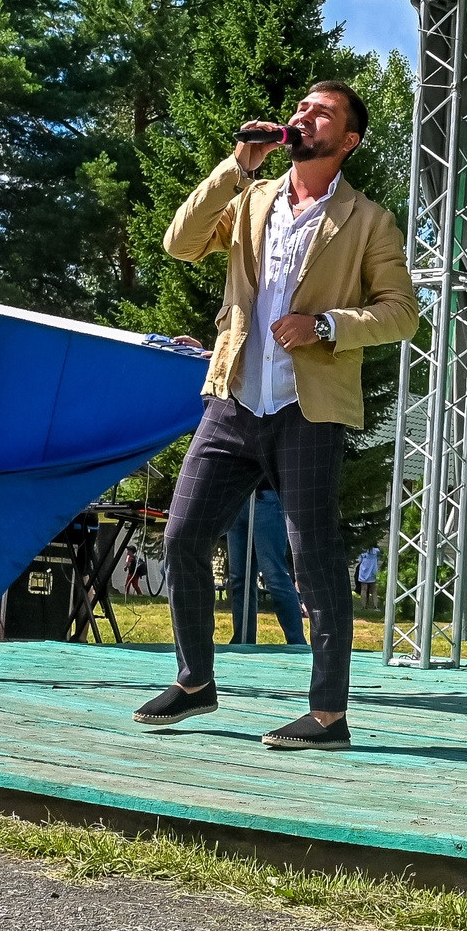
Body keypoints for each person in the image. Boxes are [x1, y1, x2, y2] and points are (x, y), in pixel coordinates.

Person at [133, 81, 420, 749]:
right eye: (302, 108)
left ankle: (328, 715)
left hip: (308, 408)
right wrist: (237, 165)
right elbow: (180, 242)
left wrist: (325, 323)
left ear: (346, 140)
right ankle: (196, 680)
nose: (303, 116)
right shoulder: (253, 196)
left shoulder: (368, 220)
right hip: (234, 396)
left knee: (311, 556)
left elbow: (401, 311)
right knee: (181, 535)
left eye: (322, 112)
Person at [222, 488, 305, 645]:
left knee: (274, 575)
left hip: (266, 495)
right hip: (237, 498)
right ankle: (243, 641)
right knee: (239, 578)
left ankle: (297, 644)